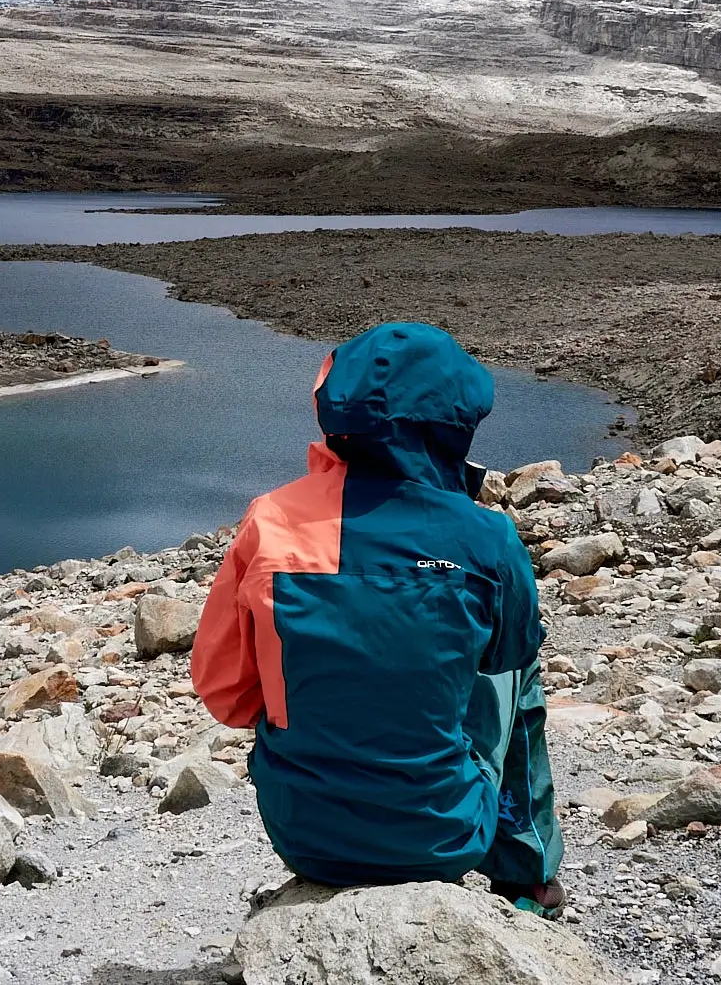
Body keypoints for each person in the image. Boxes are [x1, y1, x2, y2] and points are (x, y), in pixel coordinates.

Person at [189, 321, 564, 914]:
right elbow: (505, 658)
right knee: (516, 677)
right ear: (456, 423)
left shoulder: (269, 521)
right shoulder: (486, 535)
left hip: (304, 838)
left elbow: (226, 696)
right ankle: (528, 876)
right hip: (445, 838)